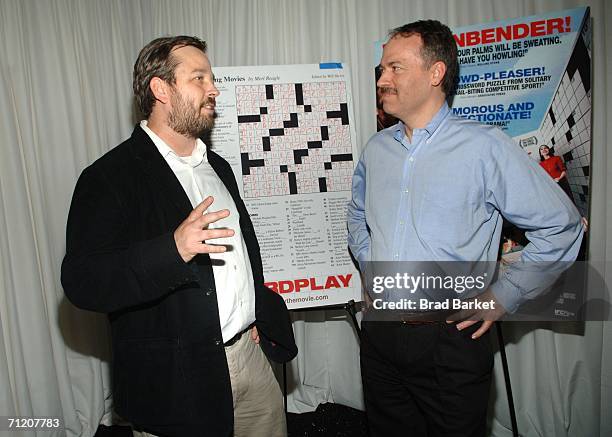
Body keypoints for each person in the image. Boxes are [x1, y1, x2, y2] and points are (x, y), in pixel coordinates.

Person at [347, 20, 583, 437]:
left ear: (435, 73)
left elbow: (562, 227)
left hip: (450, 342)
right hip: (380, 335)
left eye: (395, 68)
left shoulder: (484, 147)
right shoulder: (377, 149)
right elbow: (356, 215)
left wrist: (506, 294)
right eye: (382, 69)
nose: (382, 79)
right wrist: (371, 269)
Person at [61, 36, 296, 437]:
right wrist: (173, 249)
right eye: (199, 78)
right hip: (176, 384)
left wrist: (254, 308)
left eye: (211, 78)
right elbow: (83, 282)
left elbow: (244, 254)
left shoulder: (217, 166)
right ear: (160, 89)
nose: (214, 88)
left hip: (249, 360)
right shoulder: (108, 177)